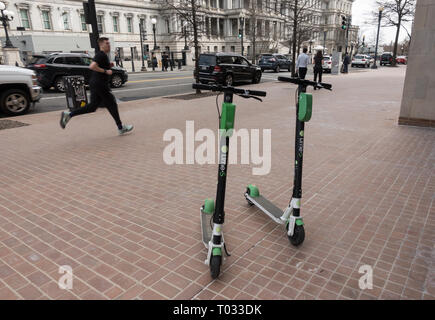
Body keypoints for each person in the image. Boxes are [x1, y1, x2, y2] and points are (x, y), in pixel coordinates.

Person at [59, 37, 133, 135]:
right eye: (107, 43)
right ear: (101, 45)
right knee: (112, 105)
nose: (109, 45)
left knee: (92, 107)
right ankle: (120, 127)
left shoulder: (102, 55)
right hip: (100, 84)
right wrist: (106, 71)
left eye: (109, 43)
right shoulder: (101, 55)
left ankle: (69, 114)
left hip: (95, 83)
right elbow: (92, 66)